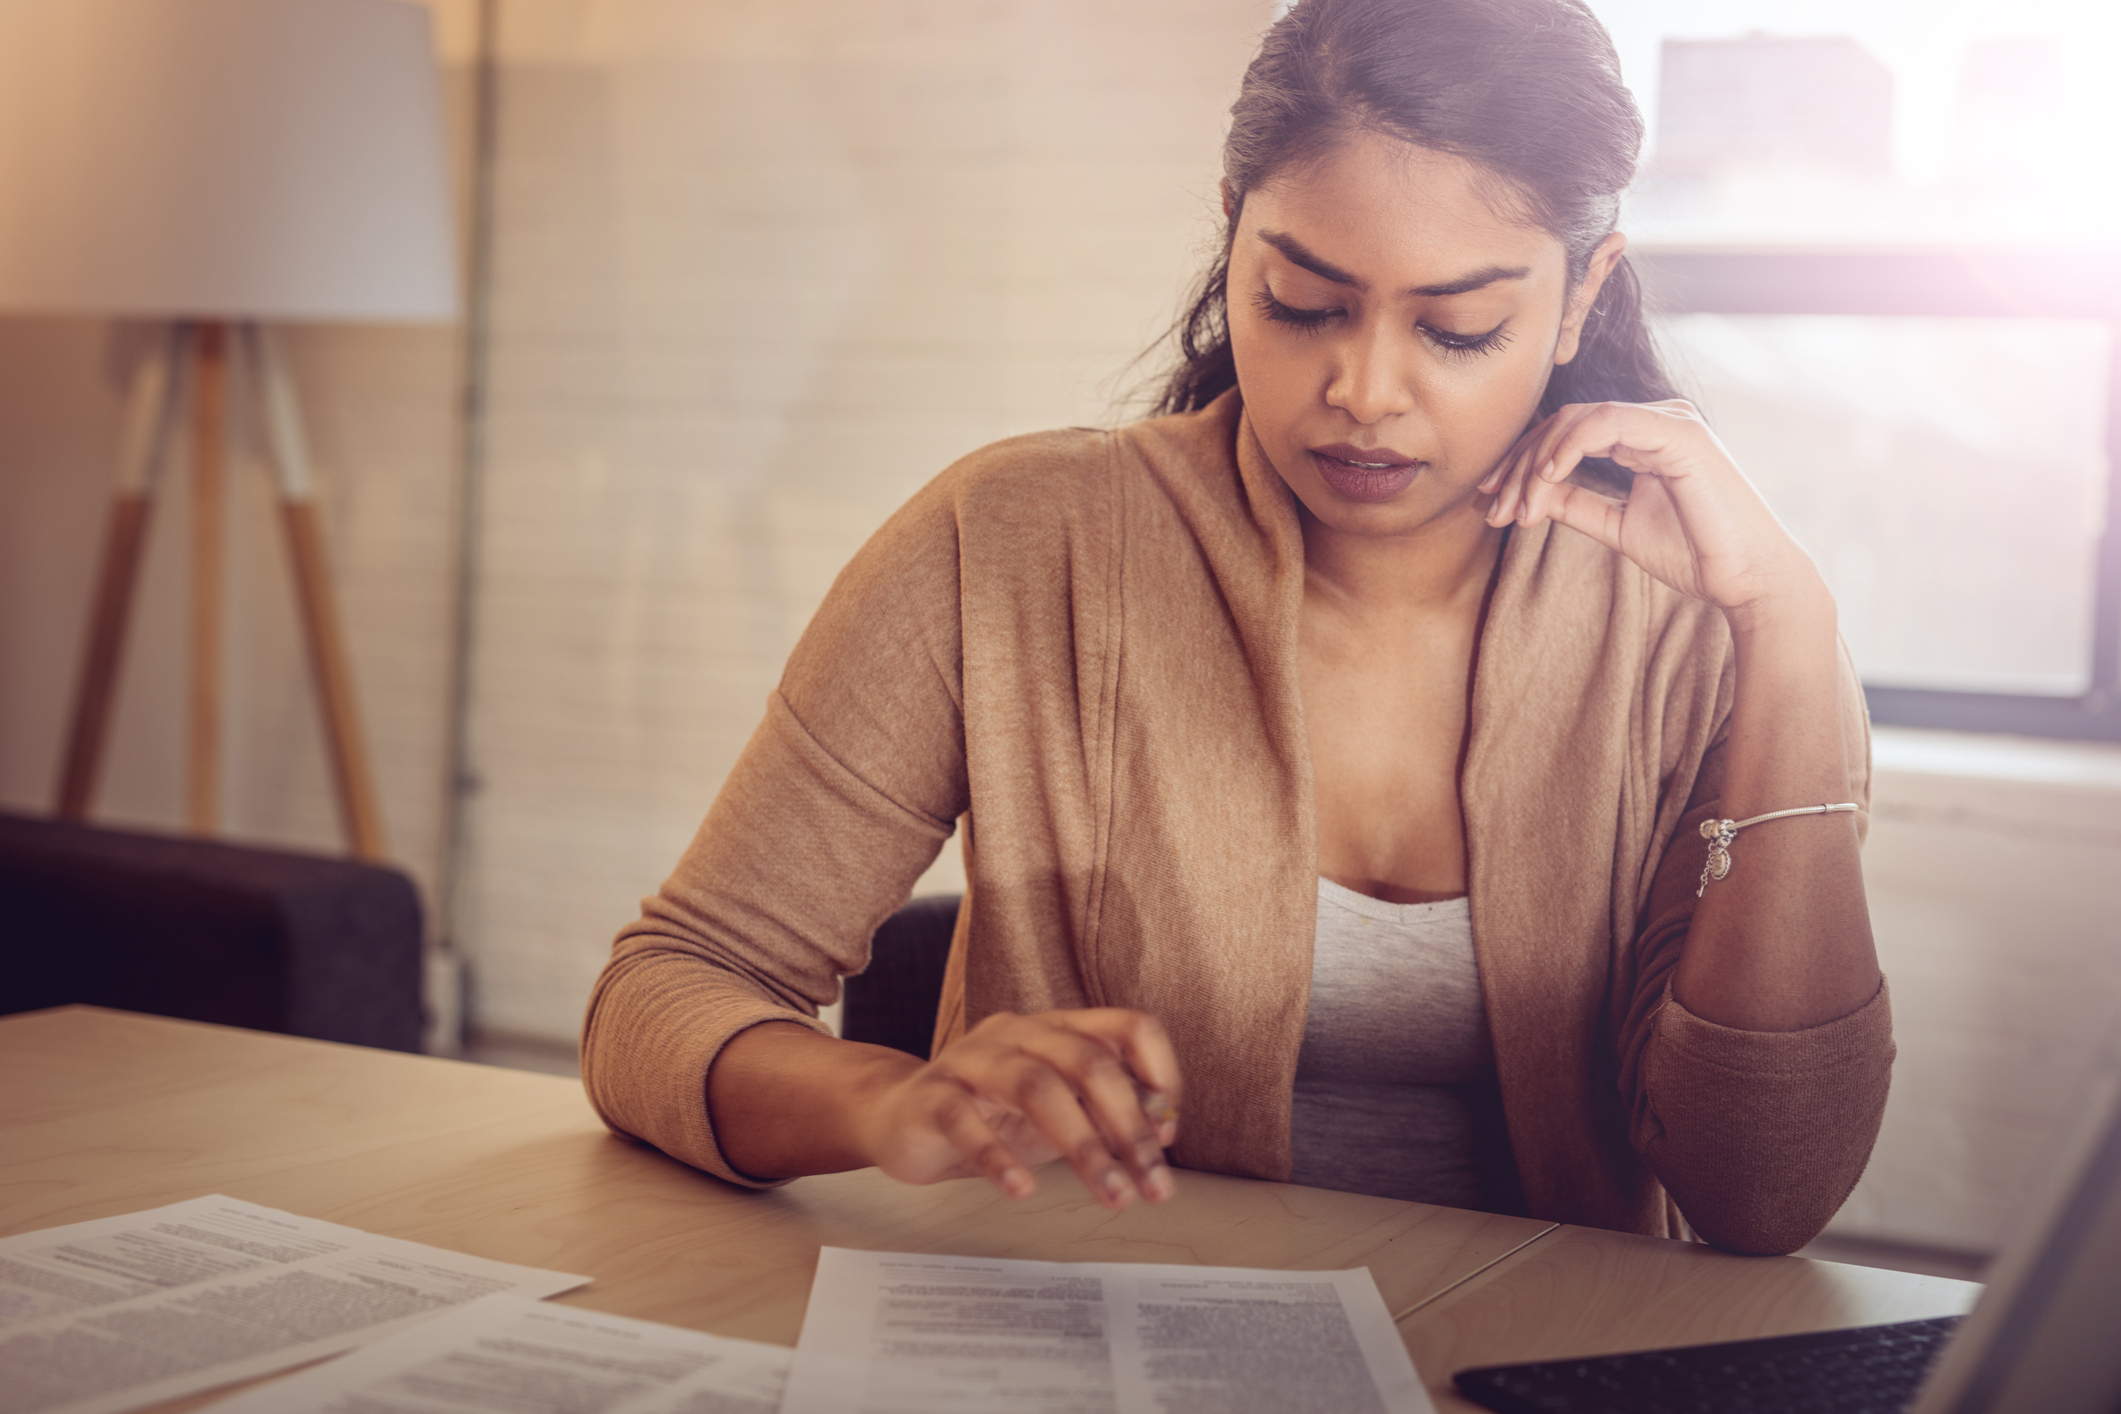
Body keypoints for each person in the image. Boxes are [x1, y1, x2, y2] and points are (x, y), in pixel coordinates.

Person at [581, 0, 1893, 1256]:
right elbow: (664, 991)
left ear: (1578, 296)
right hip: (1082, 1337)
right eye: (1303, 303)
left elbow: (1760, 1192)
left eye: (1457, 327)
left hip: (1520, 1360)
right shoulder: (1013, 542)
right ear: (1231, 241)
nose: (1362, 390)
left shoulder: (1701, 622)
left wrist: (1786, 630)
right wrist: (882, 1101)